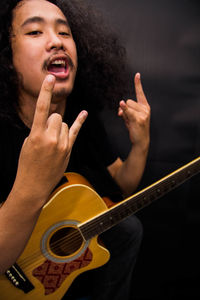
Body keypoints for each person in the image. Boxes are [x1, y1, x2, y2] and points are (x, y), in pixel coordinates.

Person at [0, 0, 150, 299]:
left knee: (128, 230)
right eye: (34, 32)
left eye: (65, 32)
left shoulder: (79, 116)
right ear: (7, 57)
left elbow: (122, 185)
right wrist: (34, 182)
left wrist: (141, 143)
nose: (56, 41)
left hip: (68, 283)